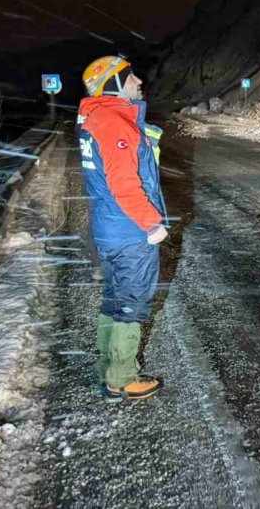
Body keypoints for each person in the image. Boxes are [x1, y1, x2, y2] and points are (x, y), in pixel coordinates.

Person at [77, 55, 167, 402]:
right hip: (129, 231)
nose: (139, 81)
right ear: (113, 85)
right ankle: (123, 379)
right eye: (131, 77)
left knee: (115, 300)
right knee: (132, 304)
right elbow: (123, 184)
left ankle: (107, 368)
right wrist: (152, 223)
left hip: (109, 228)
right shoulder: (114, 123)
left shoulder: (96, 118)